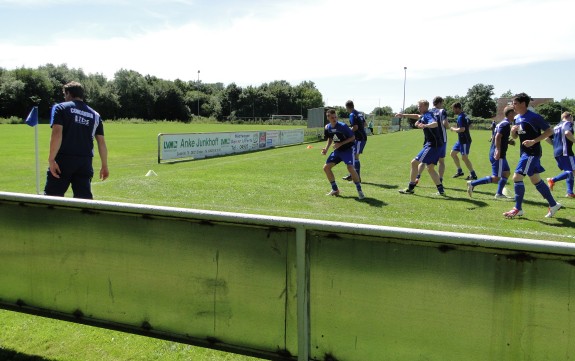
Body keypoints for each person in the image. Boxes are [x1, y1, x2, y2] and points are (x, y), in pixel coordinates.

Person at [44, 81, 109, 199]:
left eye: (64, 94)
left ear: (68, 93)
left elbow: (57, 134)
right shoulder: (95, 115)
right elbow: (101, 142)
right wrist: (104, 165)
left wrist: (51, 159)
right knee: (84, 200)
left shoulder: (61, 108)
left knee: (52, 199)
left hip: (63, 160)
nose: (64, 98)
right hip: (85, 162)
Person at [503, 92, 561, 218]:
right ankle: (553, 204)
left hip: (532, 153)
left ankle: (517, 208)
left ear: (523, 104)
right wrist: (513, 132)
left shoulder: (533, 117)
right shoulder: (517, 118)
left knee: (517, 177)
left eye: (515, 103)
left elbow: (549, 130)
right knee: (535, 179)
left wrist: (534, 141)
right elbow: (515, 137)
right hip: (524, 152)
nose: (513, 105)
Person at [395, 99, 446, 195]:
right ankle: (441, 190)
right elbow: (416, 116)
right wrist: (403, 115)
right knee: (430, 168)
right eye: (418, 106)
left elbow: (435, 124)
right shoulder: (425, 115)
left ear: (426, 106)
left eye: (420, 106)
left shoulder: (428, 115)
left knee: (414, 163)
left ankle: (410, 188)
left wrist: (425, 125)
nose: (418, 108)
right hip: (436, 145)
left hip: (432, 145)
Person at [466, 106, 514, 199]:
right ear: (510, 114)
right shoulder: (505, 124)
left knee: (506, 173)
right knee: (496, 178)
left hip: (499, 153)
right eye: (514, 113)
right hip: (498, 154)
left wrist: (508, 142)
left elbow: (498, 137)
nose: (515, 115)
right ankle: (472, 184)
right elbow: (497, 137)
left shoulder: (502, 123)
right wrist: (498, 150)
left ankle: (499, 194)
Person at [322, 108, 365, 199]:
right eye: (332, 117)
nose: (334, 119)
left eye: (335, 117)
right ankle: (335, 189)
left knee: (350, 168)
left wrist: (340, 144)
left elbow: (353, 137)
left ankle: (359, 190)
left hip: (348, 150)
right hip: (338, 151)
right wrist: (326, 149)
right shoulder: (327, 127)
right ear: (328, 118)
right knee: (326, 167)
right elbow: (330, 139)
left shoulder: (343, 126)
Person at [415, 96, 449, 185]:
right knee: (441, 161)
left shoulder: (429, 111)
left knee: (424, 161)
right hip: (441, 140)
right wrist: (451, 128)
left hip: (429, 139)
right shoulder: (442, 111)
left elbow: (418, 116)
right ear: (440, 103)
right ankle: (440, 180)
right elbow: (445, 124)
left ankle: (417, 177)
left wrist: (403, 115)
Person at [545, 111, 575, 198]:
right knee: (570, 171)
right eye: (572, 118)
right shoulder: (568, 123)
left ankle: (570, 192)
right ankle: (552, 180)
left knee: (571, 171)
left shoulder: (556, 126)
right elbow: (567, 133)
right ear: (569, 116)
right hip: (566, 151)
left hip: (557, 152)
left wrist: (555, 146)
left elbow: (547, 138)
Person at [450, 102, 477, 180]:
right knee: (453, 153)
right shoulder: (465, 115)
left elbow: (462, 129)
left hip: (464, 140)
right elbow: (470, 125)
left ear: (458, 108)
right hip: (461, 140)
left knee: (464, 158)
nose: (453, 110)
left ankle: (473, 174)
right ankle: (459, 171)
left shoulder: (461, 117)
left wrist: (454, 129)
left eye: (453, 109)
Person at [342, 100, 367, 181]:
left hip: (359, 138)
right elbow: (365, 124)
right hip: (359, 137)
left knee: (356, 157)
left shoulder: (352, 114)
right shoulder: (359, 113)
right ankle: (352, 175)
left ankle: (357, 177)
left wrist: (348, 132)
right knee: (352, 156)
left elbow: (355, 127)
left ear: (347, 107)